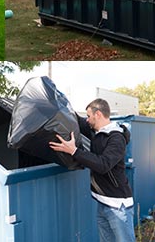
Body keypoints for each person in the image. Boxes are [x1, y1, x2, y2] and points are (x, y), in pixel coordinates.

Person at [49, 99, 135, 242]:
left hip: (118, 207)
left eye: (89, 116)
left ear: (98, 114)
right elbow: (77, 120)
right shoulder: (97, 132)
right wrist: (57, 101)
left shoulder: (116, 138)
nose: (87, 120)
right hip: (103, 202)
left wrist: (74, 151)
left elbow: (103, 164)